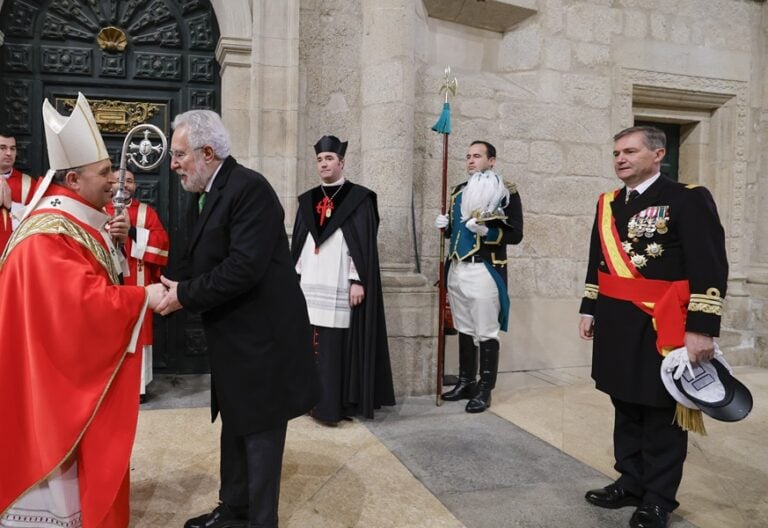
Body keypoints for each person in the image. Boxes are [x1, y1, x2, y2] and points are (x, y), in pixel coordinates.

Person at [0, 93, 166, 528]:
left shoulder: (73, 220)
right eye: (106, 172)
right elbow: (82, 308)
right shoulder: (47, 237)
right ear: (72, 180)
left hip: (59, 370)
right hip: (54, 385)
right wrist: (142, 297)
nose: (116, 180)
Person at [155, 110, 319, 528]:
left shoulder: (249, 189)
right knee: (235, 421)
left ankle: (261, 521)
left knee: (260, 429)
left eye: (179, 155)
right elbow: (199, 257)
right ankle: (233, 510)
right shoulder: (207, 191)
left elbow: (244, 267)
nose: (172, 164)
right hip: (235, 337)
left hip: (264, 339)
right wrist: (168, 283)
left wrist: (183, 297)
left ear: (207, 152)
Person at [578, 126, 728, 528]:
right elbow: (599, 259)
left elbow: (709, 264)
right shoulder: (608, 203)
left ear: (658, 154)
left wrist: (701, 327)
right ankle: (630, 481)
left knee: (661, 411)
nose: (620, 159)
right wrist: (589, 307)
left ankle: (659, 498)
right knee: (624, 403)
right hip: (615, 320)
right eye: (615, 153)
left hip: (661, 323)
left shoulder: (686, 199)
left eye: (629, 151)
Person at [290, 135, 395, 425]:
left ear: (341, 162)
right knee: (307, 342)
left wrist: (357, 280)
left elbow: (362, 245)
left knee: (334, 346)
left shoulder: (359, 198)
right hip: (310, 281)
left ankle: (331, 406)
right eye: (320, 160)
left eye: (329, 159)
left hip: (338, 283)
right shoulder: (308, 199)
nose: (323, 164)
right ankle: (306, 400)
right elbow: (300, 241)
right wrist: (295, 277)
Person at [435, 140, 523, 413]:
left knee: (485, 331)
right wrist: (447, 227)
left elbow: (516, 234)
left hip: (484, 267)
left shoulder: (505, 191)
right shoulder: (458, 192)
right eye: (468, 156)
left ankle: (485, 390)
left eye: (477, 156)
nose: (471, 161)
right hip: (457, 267)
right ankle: (465, 382)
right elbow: (458, 234)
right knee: (464, 327)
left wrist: (488, 233)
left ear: (492, 160)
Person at [105, 168, 170, 402]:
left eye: (130, 181)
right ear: (109, 182)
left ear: (135, 186)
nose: (125, 184)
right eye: (120, 180)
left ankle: (138, 387)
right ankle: (109, 386)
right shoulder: (98, 209)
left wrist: (132, 233)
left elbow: (162, 243)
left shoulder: (145, 212)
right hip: (108, 279)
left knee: (138, 333)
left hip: (136, 278)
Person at [0, 129, 35, 252]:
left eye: (13, 148)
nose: (9, 153)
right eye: (2, 148)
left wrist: (12, 206)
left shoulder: (28, 184)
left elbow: (37, 222)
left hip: (16, 255)